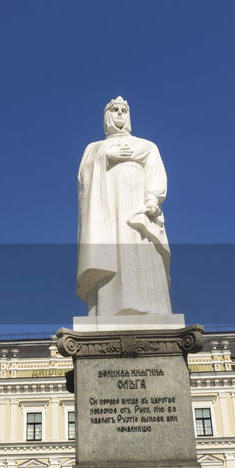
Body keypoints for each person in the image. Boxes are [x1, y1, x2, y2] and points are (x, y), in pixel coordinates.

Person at [76, 97, 172, 317]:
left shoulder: (146, 146)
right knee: (114, 249)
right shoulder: (95, 148)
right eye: (115, 110)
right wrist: (105, 157)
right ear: (107, 116)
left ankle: (151, 308)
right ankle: (109, 307)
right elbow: (84, 179)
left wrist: (152, 199)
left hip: (138, 207)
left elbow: (155, 173)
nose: (120, 113)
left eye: (124, 110)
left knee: (140, 246)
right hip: (109, 208)